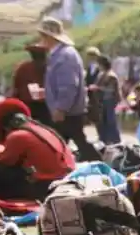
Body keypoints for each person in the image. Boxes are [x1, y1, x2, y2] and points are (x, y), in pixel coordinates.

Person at [0, 99, 75, 200]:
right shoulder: (42, 129)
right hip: (65, 178)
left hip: (45, 185)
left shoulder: (16, 136)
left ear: (6, 127)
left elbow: (5, 164)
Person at [37, 17, 99, 161]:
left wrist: (61, 108)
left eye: (43, 36)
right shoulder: (59, 54)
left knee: (70, 144)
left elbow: (69, 85)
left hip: (68, 112)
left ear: (50, 37)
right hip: (67, 111)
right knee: (63, 145)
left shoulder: (65, 56)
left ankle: (100, 165)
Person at [12, 44, 52, 127]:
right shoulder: (50, 67)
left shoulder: (23, 68)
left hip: (31, 104)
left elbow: (16, 88)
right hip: (43, 105)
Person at [88, 55, 121, 144]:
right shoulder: (102, 74)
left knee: (110, 121)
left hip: (109, 101)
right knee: (101, 121)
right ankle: (103, 139)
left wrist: (97, 88)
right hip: (101, 101)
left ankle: (115, 141)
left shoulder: (111, 75)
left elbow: (111, 89)